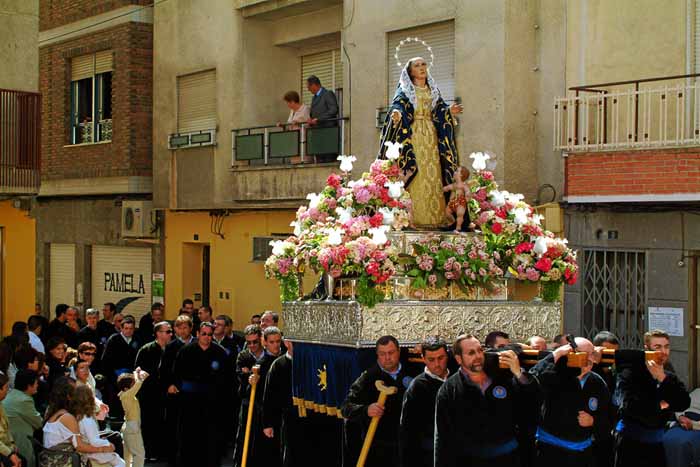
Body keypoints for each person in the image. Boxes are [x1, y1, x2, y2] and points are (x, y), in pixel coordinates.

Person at [378, 56, 462, 229]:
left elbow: (439, 110)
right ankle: (414, 218)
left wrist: (449, 111)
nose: (422, 67)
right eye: (417, 65)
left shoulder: (433, 89)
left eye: (423, 64)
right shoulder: (406, 90)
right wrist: (397, 114)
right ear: (410, 71)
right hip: (414, 136)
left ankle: (436, 218)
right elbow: (398, 106)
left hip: (431, 136)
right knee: (417, 172)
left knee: (434, 173)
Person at [434, 334, 537, 467]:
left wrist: (518, 374)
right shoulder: (449, 390)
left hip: (509, 459)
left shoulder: (504, 377)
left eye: (479, 350)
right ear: (459, 359)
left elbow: (532, 400)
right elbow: (442, 438)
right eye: (471, 353)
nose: (478, 356)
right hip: (470, 461)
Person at [614, 329, 690, 467]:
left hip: (657, 444)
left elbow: (683, 402)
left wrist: (662, 378)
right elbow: (632, 407)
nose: (663, 352)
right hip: (631, 444)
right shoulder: (631, 373)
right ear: (647, 349)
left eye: (666, 347)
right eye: (658, 347)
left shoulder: (668, 375)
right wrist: (661, 405)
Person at [529, 338, 610, 466]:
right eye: (586, 354)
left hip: (584, 453)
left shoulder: (597, 382)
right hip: (551, 450)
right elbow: (531, 380)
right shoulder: (554, 376)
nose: (592, 359)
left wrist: (594, 421)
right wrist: (556, 354)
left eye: (593, 353)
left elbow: (609, 417)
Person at [341, 335, 412, 466]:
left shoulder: (413, 372)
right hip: (380, 450)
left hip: (410, 445)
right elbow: (346, 408)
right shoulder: (368, 378)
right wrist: (366, 410)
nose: (387, 358)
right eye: (382, 354)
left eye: (391, 353)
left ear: (399, 351)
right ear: (377, 355)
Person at [173, 322, 233, 467]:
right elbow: (177, 374)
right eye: (204, 334)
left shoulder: (220, 352)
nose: (207, 337)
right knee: (190, 437)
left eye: (210, 334)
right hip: (190, 402)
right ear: (198, 334)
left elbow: (228, 378)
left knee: (211, 437)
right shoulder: (185, 351)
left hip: (212, 402)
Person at [399, 337, 449, 467]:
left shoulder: (458, 378)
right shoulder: (417, 387)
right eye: (431, 360)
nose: (437, 364)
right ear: (423, 358)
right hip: (429, 455)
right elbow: (408, 431)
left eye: (441, 358)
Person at [159, 315, 194, 467]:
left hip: (193, 393)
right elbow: (164, 369)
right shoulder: (171, 347)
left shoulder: (198, 344)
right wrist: (169, 384)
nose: (182, 330)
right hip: (176, 393)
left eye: (185, 327)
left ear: (191, 328)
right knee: (175, 428)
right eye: (179, 327)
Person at [134, 321, 171, 461]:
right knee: (149, 423)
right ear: (158, 333)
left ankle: (163, 452)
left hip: (167, 393)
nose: (170, 334)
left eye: (170, 332)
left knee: (165, 423)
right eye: (167, 332)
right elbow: (138, 370)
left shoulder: (172, 349)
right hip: (149, 393)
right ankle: (149, 452)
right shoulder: (146, 349)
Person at [262, 338, 297, 467]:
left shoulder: (308, 363)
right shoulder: (278, 365)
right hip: (286, 418)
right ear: (287, 343)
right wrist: (267, 423)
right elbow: (269, 396)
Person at [233, 325, 265, 467]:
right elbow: (241, 374)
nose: (252, 345)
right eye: (249, 342)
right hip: (248, 402)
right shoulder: (243, 356)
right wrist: (247, 376)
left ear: (261, 339)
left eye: (255, 342)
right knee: (244, 437)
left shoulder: (269, 355)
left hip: (264, 403)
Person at [74, 384, 125, 467]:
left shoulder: (79, 415)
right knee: (121, 463)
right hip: (93, 454)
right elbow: (93, 441)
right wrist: (108, 444)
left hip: (89, 452)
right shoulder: (86, 418)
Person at [102, 316, 140, 418]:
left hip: (132, 377)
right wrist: (114, 376)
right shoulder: (114, 339)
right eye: (126, 328)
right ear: (121, 328)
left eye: (131, 328)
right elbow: (106, 360)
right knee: (116, 402)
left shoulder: (137, 339)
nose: (128, 331)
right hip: (116, 377)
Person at [3, 369, 41, 467]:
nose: (38, 385)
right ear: (29, 386)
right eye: (36, 383)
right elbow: (38, 423)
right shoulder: (24, 400)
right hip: (19, 442)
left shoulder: (12, 394)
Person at [118, 368, 149, 467]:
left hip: (128, 427)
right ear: (126, 388)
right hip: (132, 427)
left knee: (127, 456)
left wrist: (136, 373)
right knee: (139, 454)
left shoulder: (124, 394)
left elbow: (136, 384)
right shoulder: (127, 395)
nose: (134, 386)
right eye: (132, 385)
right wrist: (138, 375)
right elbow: (138, 384)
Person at [663, 387, 700, 467]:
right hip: (682, 417)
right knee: (667, 438)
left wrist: (693, 425)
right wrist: (680, 417)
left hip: (695, 423)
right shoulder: (697, 391)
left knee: (682, 442)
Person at [0, 372, 21, 467]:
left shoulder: (1, 405)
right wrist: (9, 453)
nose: (8, 390)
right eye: (6, 387)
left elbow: (6, 430)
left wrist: (12, 445)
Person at [442, 166, 471, 232]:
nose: (454, 172)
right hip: (452, 202)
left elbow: (467, 190)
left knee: (460, 215)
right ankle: (452, 221)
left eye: (457, 171)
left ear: (461, 175)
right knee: (447, 213)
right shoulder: (454, 184)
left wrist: (467, 194)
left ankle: (458, 227)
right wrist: (446, 188)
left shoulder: (463, 185)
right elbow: (450, 187)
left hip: (460, 202)